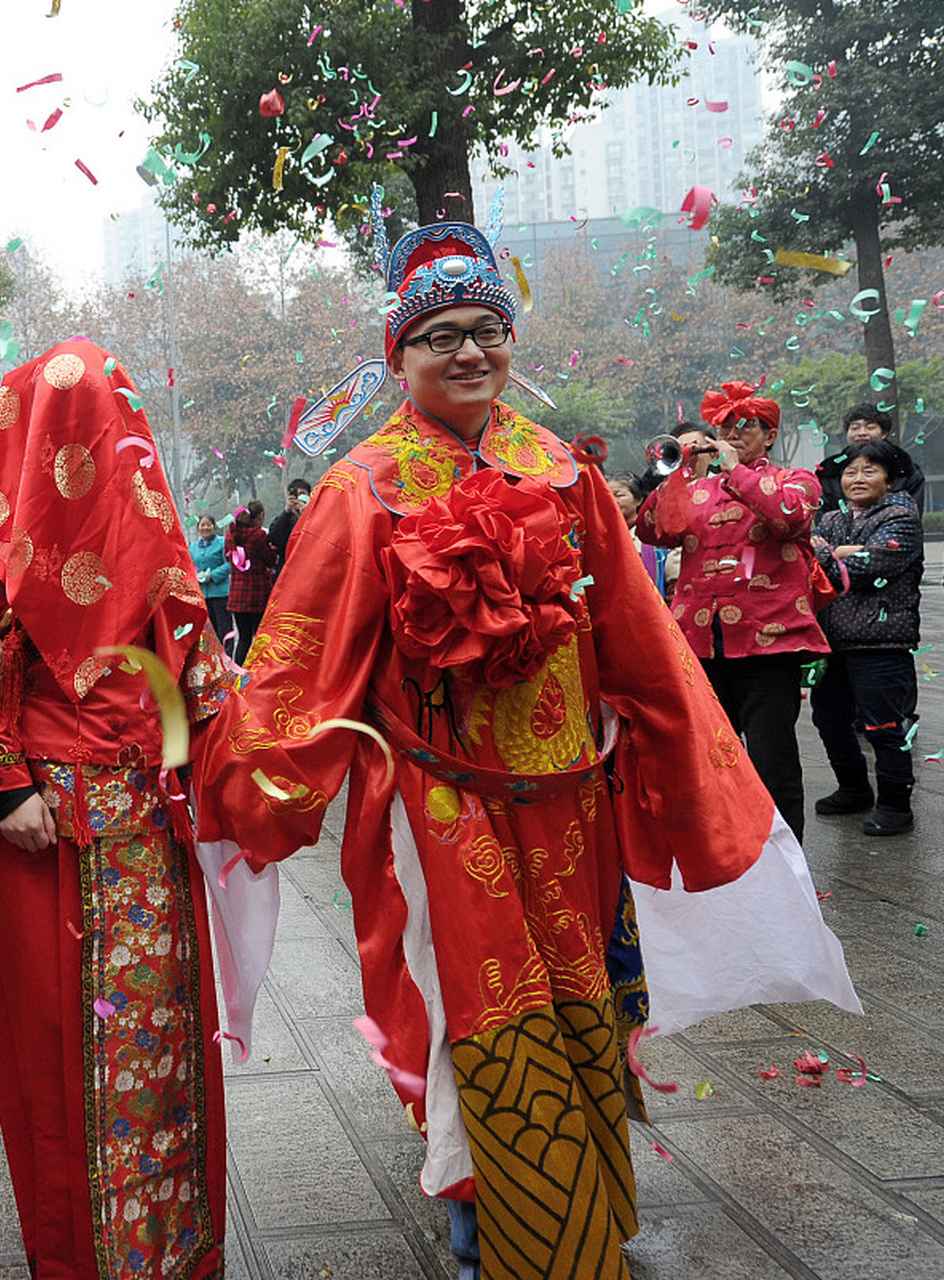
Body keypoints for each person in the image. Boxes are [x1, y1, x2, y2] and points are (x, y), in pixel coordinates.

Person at [193, 223, 857, 1280]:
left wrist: (687, 759)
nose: (467, 354)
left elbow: (636, 632)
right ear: (397, 357)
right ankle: (485, 1217)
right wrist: (259, 785)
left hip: (568, 795)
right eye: (439, 337)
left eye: (486, 333)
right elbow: (304, 649)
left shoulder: (560, 469)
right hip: (440, 796)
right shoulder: (362, 487)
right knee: (475, 1002)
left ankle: (578, 1207)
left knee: (577, 986)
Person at [0, 339, 241, 1280]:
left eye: (101, 420)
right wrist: (3, 786)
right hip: (37, 830)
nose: (77, 448)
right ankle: (76, 1254)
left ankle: (170, 1251)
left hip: (144, 830)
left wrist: (241, 771)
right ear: (21, 429)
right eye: (61, 423)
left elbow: (200, 691)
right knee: (54, 1050)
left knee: (159, 1034)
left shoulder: (157, 551)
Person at [636, 382, 829, 842]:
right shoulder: (694, 489)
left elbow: (788, 516)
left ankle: (785, 855)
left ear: (769, 435)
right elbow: (650, 529)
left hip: (768, 643)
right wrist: (680, 473)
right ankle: (722, 849)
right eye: (725, 427)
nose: (733, 434)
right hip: (700, 645)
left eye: (746, 427)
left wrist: (734, 469)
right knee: (708, 757)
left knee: (771, 758)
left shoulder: (795, 480)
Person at [808, 440, 923, 836]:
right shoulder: (832, 518)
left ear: (889, 478)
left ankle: (895, 803)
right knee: (828, 718)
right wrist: (839, 552)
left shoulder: (901, 516)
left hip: (881, 641)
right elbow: (810, 564)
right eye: (850, 471)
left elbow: (869, 567)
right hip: (833, 639)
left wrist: (829, 555)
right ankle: (853, 787)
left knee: (885, 725)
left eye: (869, 470)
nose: (857, 478)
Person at [815, 403, 924, 512]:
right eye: (855, 428)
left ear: (884, 433)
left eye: (870, 427)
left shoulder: (906, 470)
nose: (862, 433)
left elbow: (912, 515)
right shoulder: (829, 472)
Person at [224, 500, 275, 663]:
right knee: (260, 637)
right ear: (260, 516)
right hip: (258, 594)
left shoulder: (231, 534)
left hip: (237, 596)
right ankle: (259, 674)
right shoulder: (259, 535)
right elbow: (270, 560)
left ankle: (239, 674)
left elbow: (228, 557)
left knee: (244, 639)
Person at [190, 514, 234, 653]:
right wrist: (196, 575)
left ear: (214, 526)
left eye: (208, 525)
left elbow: (229, 564)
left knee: (224, 628)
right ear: (198, 528)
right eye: (203, 525)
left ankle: (227, 659)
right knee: (209, 630)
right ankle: (212, 659)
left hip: (220, 593)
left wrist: (212, 576)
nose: (206, 528)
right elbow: (190, 565)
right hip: (203, 594)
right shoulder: (193, 547)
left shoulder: (222, 542)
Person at [268, 476, 311, 564]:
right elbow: (274, 538)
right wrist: (286, 512)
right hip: (288, 564)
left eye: (302, 494)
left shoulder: (315, 516)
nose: (298, 498)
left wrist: (306, 513)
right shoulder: (285, 518)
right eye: (295, 495)